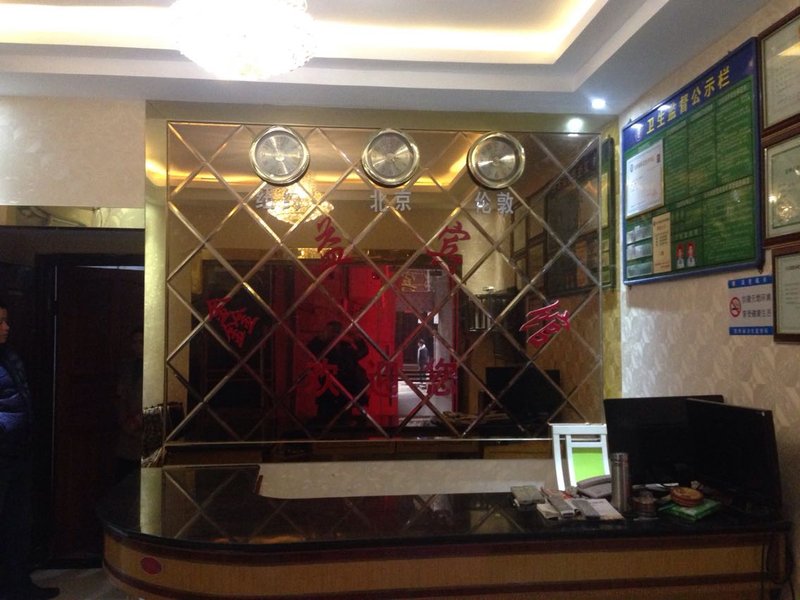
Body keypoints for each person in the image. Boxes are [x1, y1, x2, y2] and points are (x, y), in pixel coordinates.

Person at [0, 298, 60, 599]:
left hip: (18, 452)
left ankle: (19, 587)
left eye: (6, 320)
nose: (6, 327)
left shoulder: (10, 355)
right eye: (0, 322)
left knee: (17, 524)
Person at [307, 321, 369, 422]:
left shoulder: (345, 347)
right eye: (332, 331)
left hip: (345, 388)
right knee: (325, 418)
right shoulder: (323, 347)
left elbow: (362, 352)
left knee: (343, 418)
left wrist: (354, 336)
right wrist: (322, 337)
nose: (335, 334)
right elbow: (311, 348)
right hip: (328, 389)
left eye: (337, 331)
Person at [114, 327, 143, 483]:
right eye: (134, 342)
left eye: (141, 342)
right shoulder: (127, 366)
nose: (137, 346)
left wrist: (138, 420)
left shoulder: (155, 367)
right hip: (126, 427)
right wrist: (123, 419)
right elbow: (120, 394)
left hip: (144, 428)